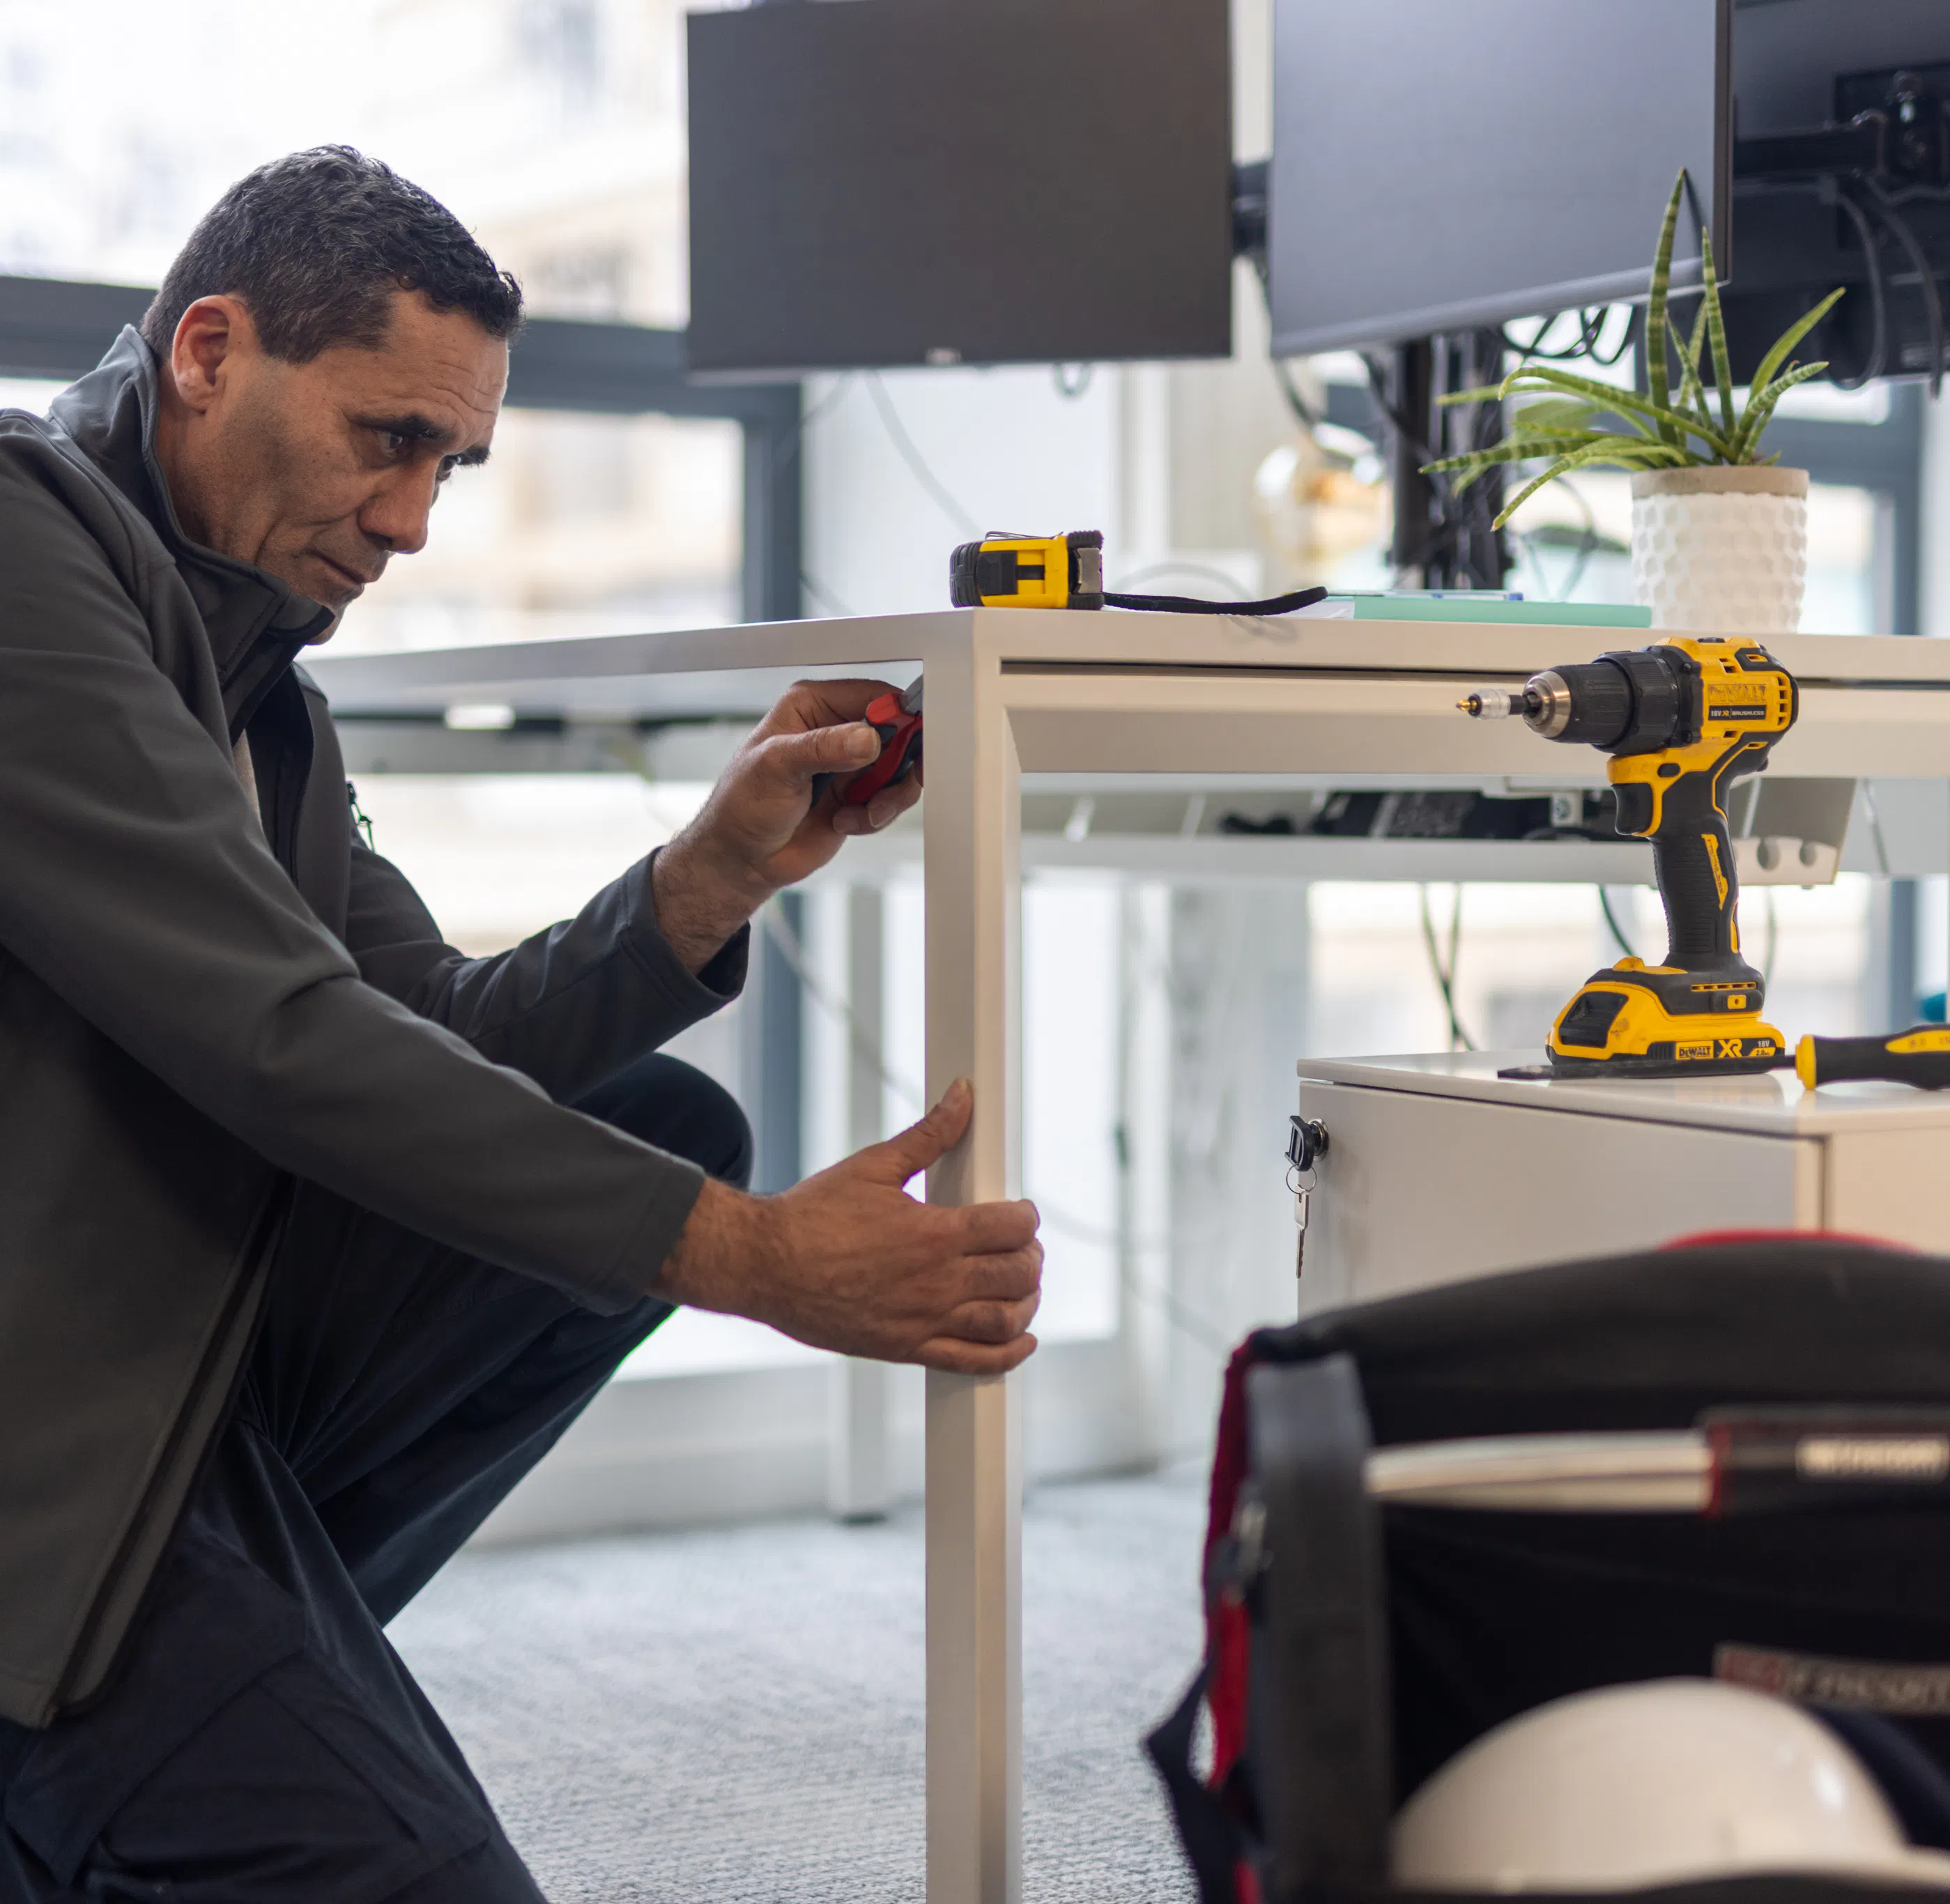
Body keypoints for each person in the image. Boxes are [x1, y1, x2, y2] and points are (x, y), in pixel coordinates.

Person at [0, 146, 1042, 1902]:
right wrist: (755, 1262)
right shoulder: (21, 558)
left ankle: (226, 1672)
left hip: (153, 1395)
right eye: (385, 439)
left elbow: (427, 1029)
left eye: (452, 465)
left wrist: (699, 883)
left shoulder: (264, 695)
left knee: (663, 1130)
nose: (415, 521)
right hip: (37, 1431)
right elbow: (287, 1040)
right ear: (207, 351)